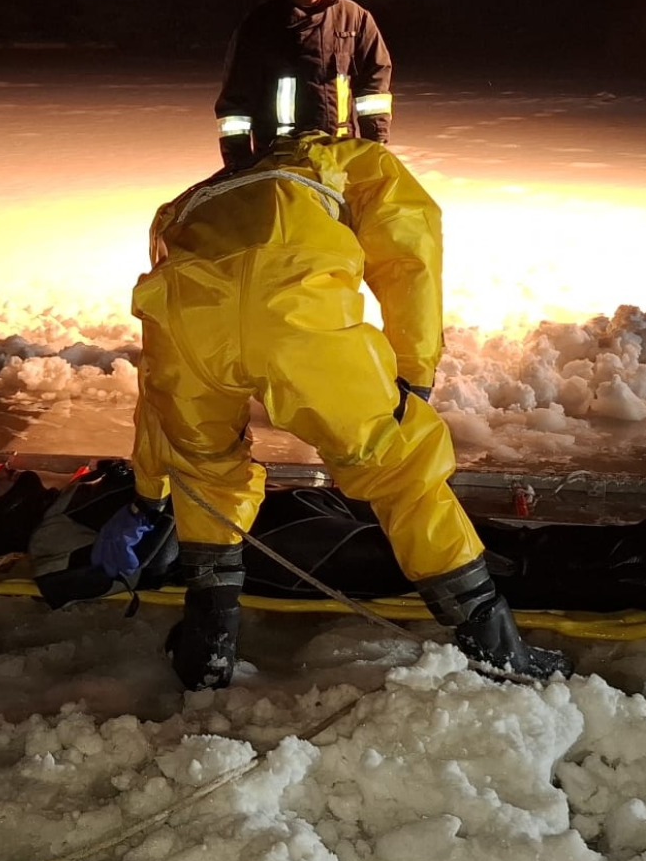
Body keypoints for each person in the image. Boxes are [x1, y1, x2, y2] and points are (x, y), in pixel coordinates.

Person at [94, 130, 574, 691]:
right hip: (300, 320)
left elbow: (157, 378)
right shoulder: (348, 161)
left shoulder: (186, 204)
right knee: (399, 471)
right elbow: (408, 255)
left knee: (205, 471)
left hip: (189, 326)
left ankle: (208, 644)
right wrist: (413, 375)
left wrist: (150, 495)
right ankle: (493, 645)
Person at [0, 459, 646, 623]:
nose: (5, 470)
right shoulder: (52, 546)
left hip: (286, 512)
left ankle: (632, 542)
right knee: (463, 566)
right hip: (276, 554)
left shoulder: (77, 492)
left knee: (457, 527)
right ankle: (642, 582)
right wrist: (127, 543)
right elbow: (87, 581)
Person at [216, 0, 392, 168]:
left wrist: (376, 145)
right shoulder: (259, 27)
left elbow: (374, 89)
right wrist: (238, 163)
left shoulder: (355, 19)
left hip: (340, 154)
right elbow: (236, 104)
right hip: (279, 159)